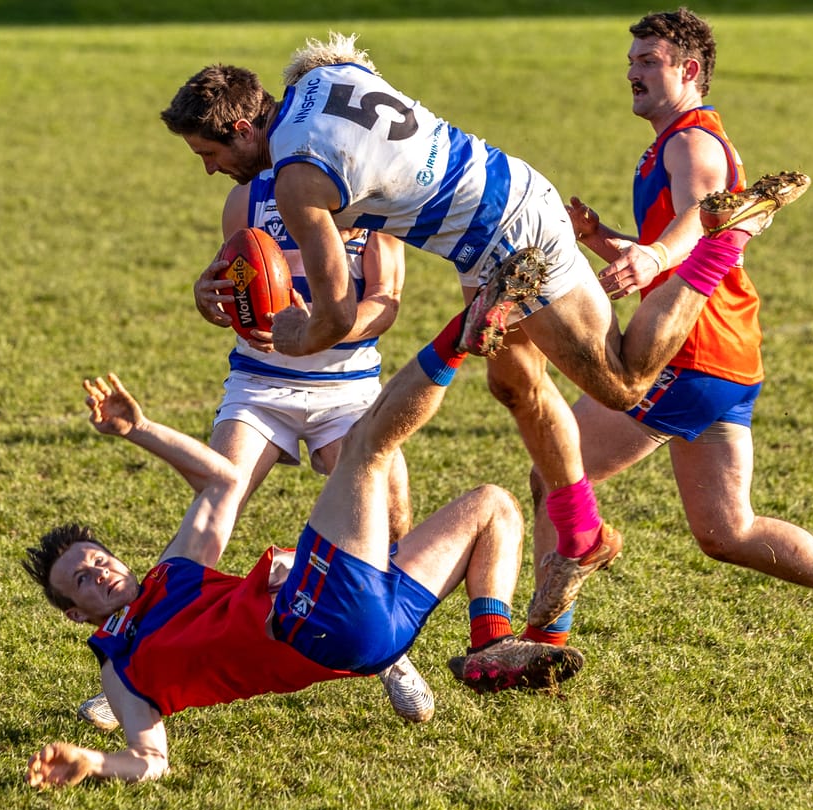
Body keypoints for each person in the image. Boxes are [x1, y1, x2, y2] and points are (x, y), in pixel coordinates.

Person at [159, 32, 735, 641]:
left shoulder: (296, 181)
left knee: (622, 382)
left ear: (244, 128)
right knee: (514, 385)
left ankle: (722, 243)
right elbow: (342, 58)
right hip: (485, 231)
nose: (211, 169)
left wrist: (294, 334)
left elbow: (335, 316)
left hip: (515, 232)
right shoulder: (315, 81)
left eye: (209, 153)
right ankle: (579, 532)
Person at [524, 8, 813, 693]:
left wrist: (653, 255)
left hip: (687, 353)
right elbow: (682, 243)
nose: (633, 72)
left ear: (689, 71)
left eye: (648, 61)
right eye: (631, 61)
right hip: (726, 357)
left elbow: (698, 222)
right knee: (727, 531)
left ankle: (543, 646)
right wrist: (601, 238)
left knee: (555, 472)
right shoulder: (677, 141)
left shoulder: (691, 143)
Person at [23, 301, 587, 789]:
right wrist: (93, 762)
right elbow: (151, 761)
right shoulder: (118, 665)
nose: (100, 572)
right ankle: (461, 334)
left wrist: (139, 429)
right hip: (310, 622)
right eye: (82, 580)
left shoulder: (172, 574)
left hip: (372, 637)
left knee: (493, 507)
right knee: (365, 447)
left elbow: (222, 482)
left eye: (99, 560)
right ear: (77, 614)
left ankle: (491, 644)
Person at [76, 169, 425, 731]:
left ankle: (391, 656)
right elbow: (233, 283)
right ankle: (135, 664)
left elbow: (386, 301)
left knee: (387, 513)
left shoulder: (375, 202)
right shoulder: (249, 194)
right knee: (215, 503)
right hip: (259, 386)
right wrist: (205, 297)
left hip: (347, 390)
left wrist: (320, 328)